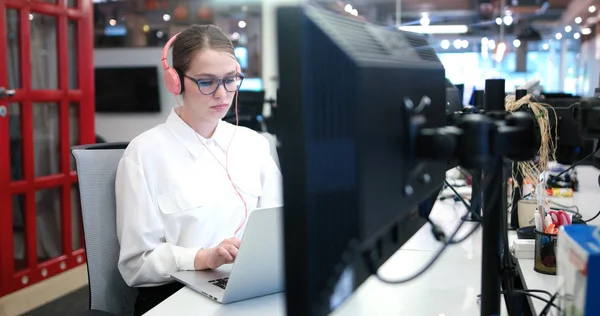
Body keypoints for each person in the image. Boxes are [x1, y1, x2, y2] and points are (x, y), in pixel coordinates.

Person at [114, 24, 282, 315]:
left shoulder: (253, 144)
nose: (222, 94)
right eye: (207, 82)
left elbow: (281, 226)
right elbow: (136, 265)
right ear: (175, 82)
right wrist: (202, 258)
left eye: (231, 80)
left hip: (252, 289)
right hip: (176, 294)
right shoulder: (144, 154)